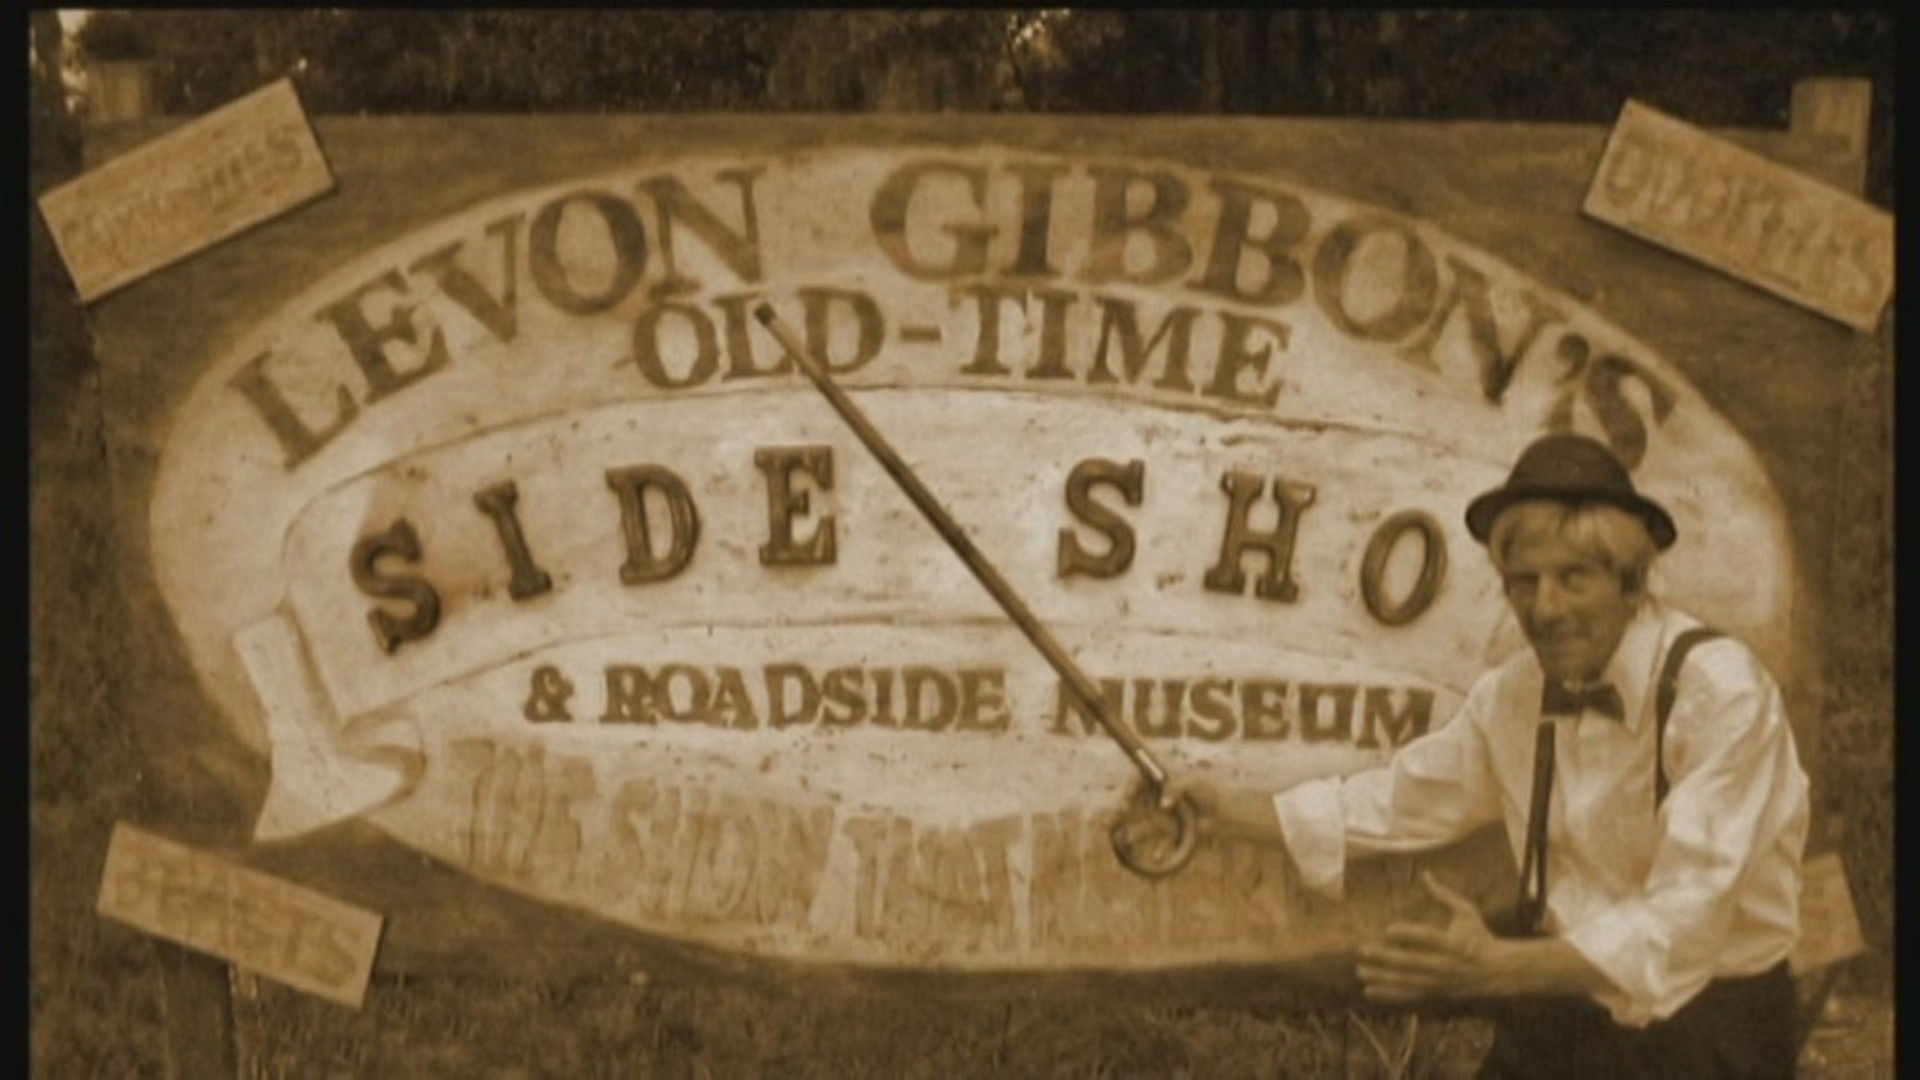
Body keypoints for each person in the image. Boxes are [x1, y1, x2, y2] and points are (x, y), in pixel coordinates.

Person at [1164, 432, 1809, 1079]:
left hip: (1706, 1026)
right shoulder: (1516, 694)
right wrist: (1227, 811)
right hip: (1561, 1010)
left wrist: (1498, 969)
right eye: (1524, 582)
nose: (1545, 608)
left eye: (1573, 578)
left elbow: (1686, 920)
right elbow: (1404, 799)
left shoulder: (1720, 694)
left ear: (1632, 582)